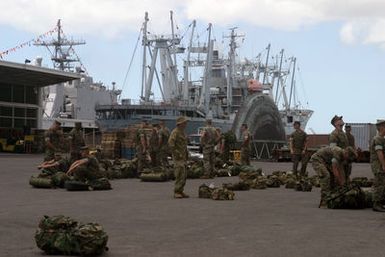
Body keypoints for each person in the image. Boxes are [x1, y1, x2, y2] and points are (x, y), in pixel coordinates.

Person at [168, 116, 189, 199]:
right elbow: (171, 143)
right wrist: (176, 153)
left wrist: (186, 154)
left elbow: (184, 145)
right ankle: (176, 191)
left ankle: (181, 190)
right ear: (180, 124)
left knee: (184, 174)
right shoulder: (175, 132)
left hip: (183, 156)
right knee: (179, 173)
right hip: (178, 157)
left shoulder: (182, 132)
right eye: (185, 123)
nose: (186, 124)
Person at [369, 120, 385, 212]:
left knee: (382, 183)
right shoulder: (378, 139)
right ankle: (376, 204)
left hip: (380, 164)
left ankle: (380, 202)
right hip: (378, 165)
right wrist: (383, 165)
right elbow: (379, 153)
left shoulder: (382, 138)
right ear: (382, 127)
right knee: (379, 184)